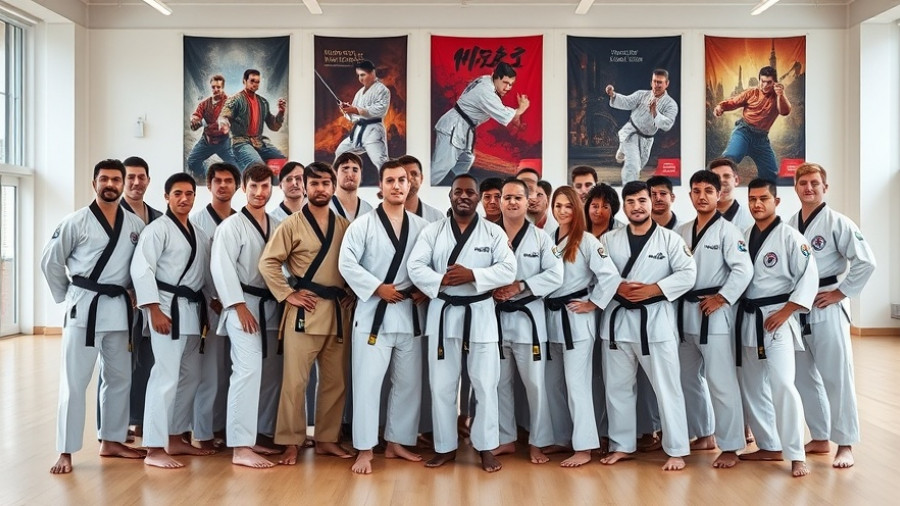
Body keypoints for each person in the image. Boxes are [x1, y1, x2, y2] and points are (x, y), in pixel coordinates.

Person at [41, 159, 146, 474]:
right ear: (94, 183)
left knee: (119, 379)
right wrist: (68, 295)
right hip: (84, 309)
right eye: (104, 179)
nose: (110, 184)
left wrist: (135, 292)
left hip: (118, 312)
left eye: (116, 179)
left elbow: (141, 268)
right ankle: (66, 450)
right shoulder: (75, 221)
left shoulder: (134, 226)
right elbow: (50, 262)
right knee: (74, 384)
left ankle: (111, 440)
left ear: (123, 183)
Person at [407, 174, 517, 472]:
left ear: (479, 197)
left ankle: (486, 447)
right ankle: (445, 446)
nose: (464, 196)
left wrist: (473, 276)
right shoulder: (433, 232)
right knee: (442, 384)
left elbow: (509, 268)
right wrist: (442, 279)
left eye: (470, 192)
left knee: (485, 384)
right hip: (444, 313)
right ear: (451, 196)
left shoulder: (493, 233)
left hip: (480, 314)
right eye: (458, 192)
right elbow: (415, 266)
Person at [258, 162, 354, 465]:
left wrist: (352, 291)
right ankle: (290, 441)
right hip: (304, 314)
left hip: (337, 314)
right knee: (295, 382)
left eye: (326, 183)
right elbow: (268, 263)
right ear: (306, 187)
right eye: (315, 184)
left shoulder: (344, 226)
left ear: (333, 186)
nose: (321, 189)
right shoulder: (291, 224)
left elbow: (353, 266)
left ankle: (326, 439)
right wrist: (289, 294)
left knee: (335, 382)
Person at [338, 159, 429, 474]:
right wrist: (377, 288)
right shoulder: (361, 225)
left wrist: (425, 289)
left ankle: (396, 441)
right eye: (390, 180)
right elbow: (347, 265)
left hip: (408, 313)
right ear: (381, 186)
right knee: (367, 382)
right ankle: (364, 448)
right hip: (374, 312)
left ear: (409, 184)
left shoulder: (422, 227)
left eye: (402, 180)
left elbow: (435, 263)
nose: (397, 186)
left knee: (408, 383)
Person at [598, 180, 696, 471]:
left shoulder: (671, 240)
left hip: (655, 324)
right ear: (624, 206)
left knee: (667, 388)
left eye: (642, 201)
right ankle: (622, 445)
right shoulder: (607, 240)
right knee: (617, 388)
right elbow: (600, 273)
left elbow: (688, 273)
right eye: (630, 202)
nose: (637, 207)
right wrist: (618, 288)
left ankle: (677, 449)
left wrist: (653, 290)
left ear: (651, 203)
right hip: (616, 325)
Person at [788, 163, 875, 469]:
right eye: (803, 183)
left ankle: (845, 443)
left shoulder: (839, 222)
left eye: (815, 183)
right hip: (798, 308)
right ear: (796, 187)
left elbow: (866, 261)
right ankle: (821, 436)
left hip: (827, 305)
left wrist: (842, 292)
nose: (808, 188)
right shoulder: (790, 224)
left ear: (825, 187)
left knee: (836, 376)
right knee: (803, 377)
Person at [131, 172, 216, 468]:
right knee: (164, 376)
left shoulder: (200, 234)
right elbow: (142, 270)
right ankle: (154, 447)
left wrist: (215, 300)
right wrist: (153, 309)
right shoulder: (157, 230)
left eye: (189, 194)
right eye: (177, 193)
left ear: (195, 197)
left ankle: (176, 436)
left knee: (190, 377)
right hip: (166, 310)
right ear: (166, 197)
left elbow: (205, 275)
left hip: (192, 312)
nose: (184, 199)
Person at [737, 178, 817, 477]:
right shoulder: (743, 236)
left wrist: (786, 311)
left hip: (777, 318)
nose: (757, 204)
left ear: (776, 201)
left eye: (763, 199)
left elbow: (809, 276)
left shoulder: (791, 237)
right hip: (749, 319)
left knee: (783, 384)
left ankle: (796, 454)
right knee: (752, 386)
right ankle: (769, 445)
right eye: (752, 199)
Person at [675, 170, 752, 468]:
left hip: (715, 314)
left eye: (708, 190)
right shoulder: (681, 231)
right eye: (696, 190)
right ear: (690, 195)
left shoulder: (729, 232)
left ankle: (731, 445)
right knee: (687, 378)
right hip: (685, 313)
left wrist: (722, 297)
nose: (702, 196)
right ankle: (704, 432)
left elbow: (743, 270)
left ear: (719, 195)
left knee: (721, 381)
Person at [210, 163, 283, 468]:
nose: (259, 192)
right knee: (247, 371)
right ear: (244, 188)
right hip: (244, 306)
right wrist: (238, 306)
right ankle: (239, 447)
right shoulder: (231, 226)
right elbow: (221, 267)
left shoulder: (279, 224)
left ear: (271, 188)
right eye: (253, 186)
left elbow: (285, 265)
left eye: (265, 186)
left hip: (271, 306)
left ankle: (255, 437)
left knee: (268, 376)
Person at [544, 186, 620, 467]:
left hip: (576, 319)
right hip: (550, 317)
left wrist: (594, 303)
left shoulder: (587, 241)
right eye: (558, 205)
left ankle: (585, 446)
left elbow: (610, 276)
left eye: (568, 206)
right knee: (553, 385)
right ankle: (562, 437)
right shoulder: (547, 239)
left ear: (577, 208)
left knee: (577, 384)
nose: (562, 211)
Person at [492, 178, 563, 464]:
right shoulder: (487, 235)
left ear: (527, 201)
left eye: (517, 198)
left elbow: (556, 276)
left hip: (528, 321)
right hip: (494, 319)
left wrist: (522, 285)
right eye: (506, 197)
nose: (512, 202)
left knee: (535, 385)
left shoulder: (543, 239)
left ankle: (539, 441)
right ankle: (505, 438)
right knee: (498, 383)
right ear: (500, 202)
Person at [189, 163, 240, 450]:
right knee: (209, 374)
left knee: (233, 371)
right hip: (209, 308)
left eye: (229, 181)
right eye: (217, 181)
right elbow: (197, 269)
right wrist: (213, 298)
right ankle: (204, 433)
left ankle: (225, 428)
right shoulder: (196, 223)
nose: (223, 186)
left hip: (238, 307)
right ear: (208, 186)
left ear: (237, 187)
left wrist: (234, 299)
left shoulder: (242, 220)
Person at [431, 63, 530, 185]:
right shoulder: (485, 91)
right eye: (505, 82)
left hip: (464, 127)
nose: (508, 87)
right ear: (496, 77)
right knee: (440, 168)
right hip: (454, 126)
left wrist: (517, 118)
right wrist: (522, 108)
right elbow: (506, 115)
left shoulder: (486, 80)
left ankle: (457, 187)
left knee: (464, 162)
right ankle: (423, 191)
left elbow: (511, 117)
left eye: (511, 84)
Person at [120, 156, 163, 438]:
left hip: (151, 301)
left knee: (148, 362)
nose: (136, 182)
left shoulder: (158, 218)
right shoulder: (113, 214)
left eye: (141, 177)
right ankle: (114, 426)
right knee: (118, 367)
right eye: (130, 177)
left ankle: (140, 419)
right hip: (121, 301)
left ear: (148, 179)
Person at [713, 66, 792, 182]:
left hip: (761, 139)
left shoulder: (778, 97)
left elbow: (785, 111)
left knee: (771, 175)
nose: (764, 85)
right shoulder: (751, 93)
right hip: (744, 132)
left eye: (769, 82)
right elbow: (733, 102)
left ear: (775, 82)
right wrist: (721, 106)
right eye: (762, 81)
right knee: (729, 160)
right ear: (759, 80)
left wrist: (780, 95)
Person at [606, 70, 679, 184]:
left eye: (660, 82)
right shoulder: (641, 94)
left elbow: (667, 124)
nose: (657, 85)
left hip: (647, 138)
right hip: (631, 132)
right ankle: (629, 189)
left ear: (667, 83)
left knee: (639, 165)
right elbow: (626, 102)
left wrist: (655, 112)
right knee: (633, 165)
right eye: (655, 81)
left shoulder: (670, 104)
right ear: (651, 83)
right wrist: (613, 95)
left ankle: (622, 150)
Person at [218, 69, 287, 171]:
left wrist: (281, 112)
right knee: (258, 167)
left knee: (282, 161)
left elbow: (274, 126)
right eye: (252, 81)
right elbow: (224, 115)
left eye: (257, 82)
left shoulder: (263, 102)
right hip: (241, 142)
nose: (255, 84)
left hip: (259, 141)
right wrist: (224, 123)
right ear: (244, 81)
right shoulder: (235, 99)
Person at [333, 60, 391, 173]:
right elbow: (354, 116)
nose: (360, 78)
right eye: (358, 75)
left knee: (381, 162)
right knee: (341, 151)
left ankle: (388, 186)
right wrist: (347, 109)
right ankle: (337, 180)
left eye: (363, 75)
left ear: (372, 73)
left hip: (373, 132)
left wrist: (355, 109)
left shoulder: (383, 90)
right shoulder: (360, 92)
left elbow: (380, 110)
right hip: (358, 131)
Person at [187, 74, 237, 181]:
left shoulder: (229, 103)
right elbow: (197, 115)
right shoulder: (205, 104)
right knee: (192, 162)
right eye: (213, 87)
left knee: (237, 168)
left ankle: (223, 176)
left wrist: (226, 123)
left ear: (222, 88)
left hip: (224, 143)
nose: (216, 90)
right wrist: (194, 119)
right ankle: (208, 172)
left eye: (218, 87)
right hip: (207, 141)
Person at [708, 157, 753, 231]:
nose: (721, 180)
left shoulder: (750, 221)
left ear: (736, 180)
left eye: (727, 176)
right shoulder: (701, 217)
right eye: (716, 177)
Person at [400, 154, 445, 222]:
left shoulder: (437, 217)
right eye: (403, 175)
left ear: (421, 178)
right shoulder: (381, 218)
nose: (409, 179)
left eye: (414, 174)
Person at [331, 152, 374, 221]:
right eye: (345, 169)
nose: (350, 174)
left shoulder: (368, 210)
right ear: (335, 174)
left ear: (361, 175)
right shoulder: (325, 207)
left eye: (355, 170)